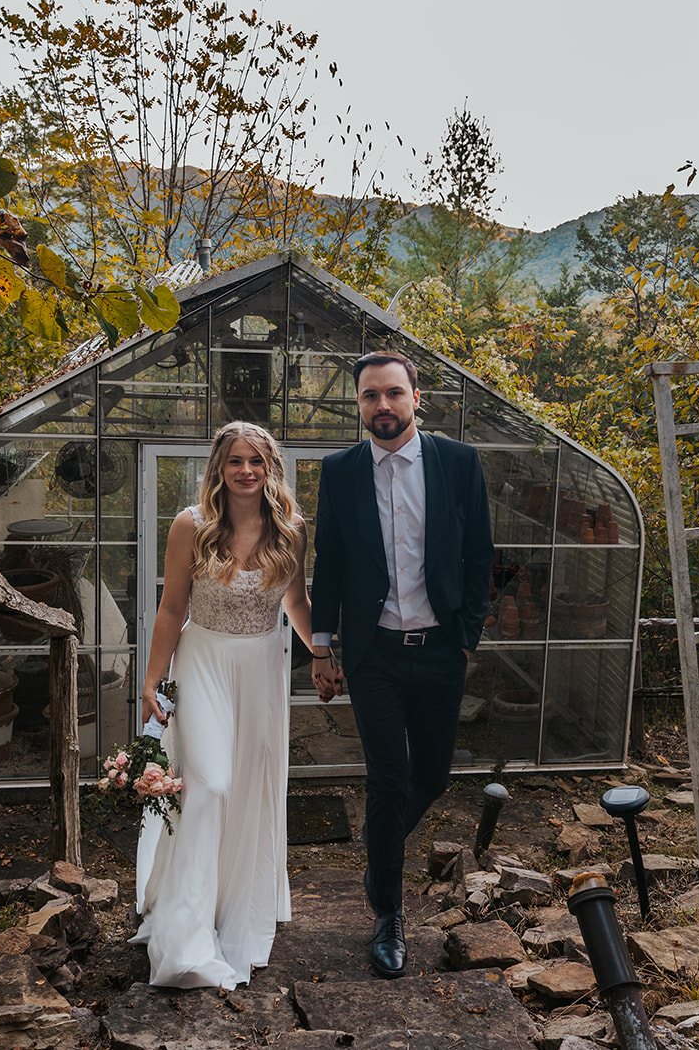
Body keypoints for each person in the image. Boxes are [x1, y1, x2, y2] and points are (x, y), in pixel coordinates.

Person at [309, 350, 493, 978]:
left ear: (417, 397)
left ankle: (377, 853)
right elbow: (328, 563)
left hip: (441, 649)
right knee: (388, 780)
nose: (381, 406)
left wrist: (466, 636)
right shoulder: (340, 472)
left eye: (392, 393)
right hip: (375, 653)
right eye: (369, 396)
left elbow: (479, 555)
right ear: (358, 404)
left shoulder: (459, 463)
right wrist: (322, 647)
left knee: (433, 777)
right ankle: (389, 915)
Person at [130, 421, 313, 989]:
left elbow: (297, 601)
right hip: (204, 660)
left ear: (270, 467)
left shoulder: (291, 529)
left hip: (262, 668)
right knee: (207, 782)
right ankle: (185, 932)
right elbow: (170, 608)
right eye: (235, 460)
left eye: (256, 460)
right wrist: (152, 679)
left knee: (250, 790)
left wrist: (327, 654)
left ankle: (234, 906)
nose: (246, 470)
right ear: (219, 467)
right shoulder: (192, 525)